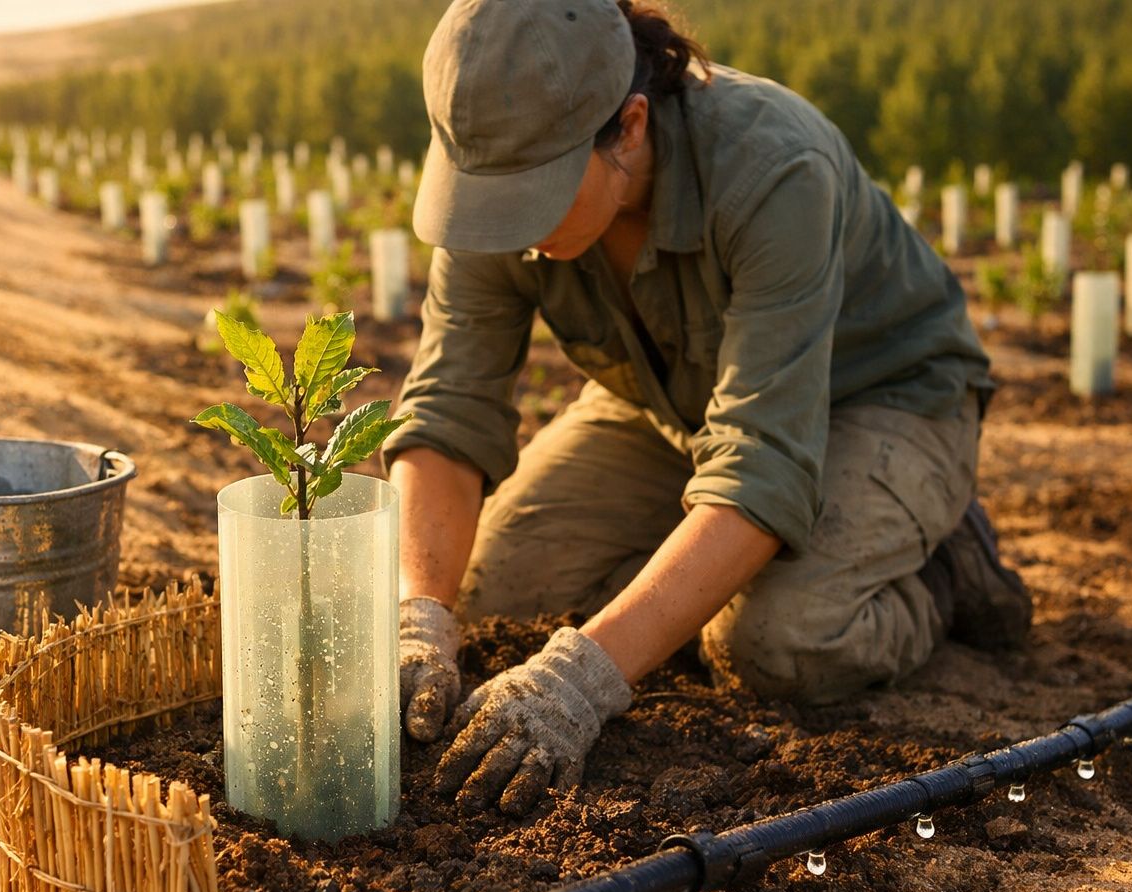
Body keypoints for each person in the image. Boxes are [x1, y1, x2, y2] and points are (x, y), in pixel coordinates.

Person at [380, 0, 1032, 816]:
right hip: (674, 409)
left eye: (533, 194)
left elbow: (761, 458)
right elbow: (449, 405)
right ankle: (711, 572)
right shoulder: (497, 169)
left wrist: (579, 680)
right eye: (488, 197)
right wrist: (420, 612)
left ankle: (938, 572)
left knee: (776, 644)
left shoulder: (774, 169)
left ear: (628, 128)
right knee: (502, 591)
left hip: (880, 401)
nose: (507, 226)